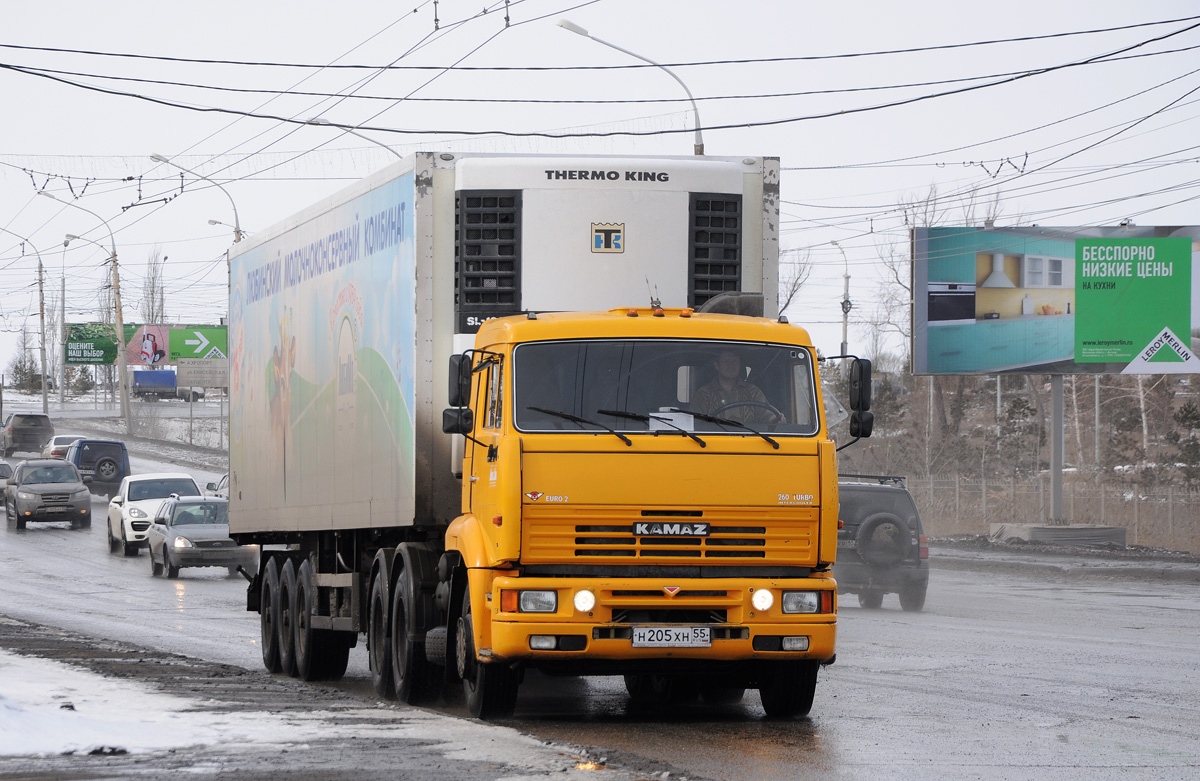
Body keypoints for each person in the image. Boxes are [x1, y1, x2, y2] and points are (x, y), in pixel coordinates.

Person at [692, 349, 780, 426]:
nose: (731, 366)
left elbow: (766, 417)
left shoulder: (753, 392)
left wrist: (773, 419)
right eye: (726, 362)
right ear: (717, 365)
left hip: (750, 442)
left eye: (735, 362)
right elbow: (696, 425)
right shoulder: (704, 394)